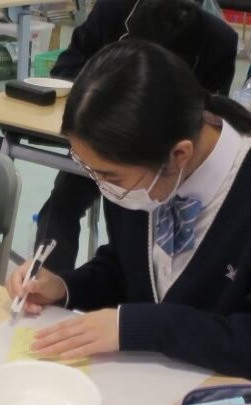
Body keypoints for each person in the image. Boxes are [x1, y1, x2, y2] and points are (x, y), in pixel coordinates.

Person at [7, 40, 251, 378]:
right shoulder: (144, 173)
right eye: (89, 169)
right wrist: (65, 286)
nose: (102, 186)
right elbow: (127, 270)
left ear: (178, 155)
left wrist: (139, 326)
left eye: (109, 176)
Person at [37, 0, 238, 273]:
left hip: (151, 152)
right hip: (101, 140)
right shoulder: (112, 11)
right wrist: (61, 286)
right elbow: (65, 69)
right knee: (65, 200)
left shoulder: (219, 39)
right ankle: (47, 271)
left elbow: (214, 108)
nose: (106, 185)